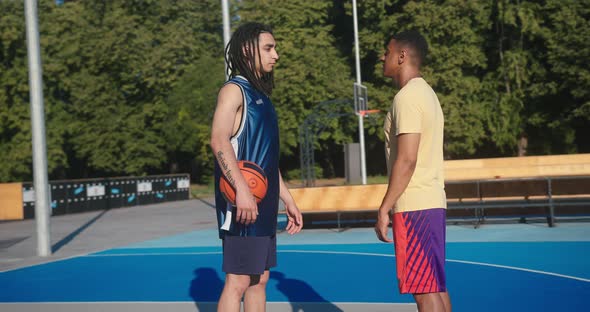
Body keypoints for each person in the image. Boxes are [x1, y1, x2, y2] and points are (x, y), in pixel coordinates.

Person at [210, 22, 303, 312]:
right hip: (243, 200)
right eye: (268, 48)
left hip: (262, 200)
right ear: (247, 51)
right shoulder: (234, 90)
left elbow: (266, 160)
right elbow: (218, 140)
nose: (276, 55)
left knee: (259, 279)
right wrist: (242, 191)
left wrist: (287, 199)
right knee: (238, 281)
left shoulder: (261, 96)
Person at [374, 30, 451, 312]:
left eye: (388, 51)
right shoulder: (427, 93)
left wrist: (385, 207)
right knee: (434, 287)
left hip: (414, 205)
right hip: (431, 201)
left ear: (402, 56)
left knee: (423, 290)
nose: (383, 56)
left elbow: (407, 159)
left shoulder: (406, 98)